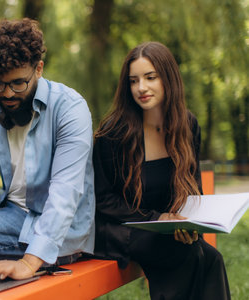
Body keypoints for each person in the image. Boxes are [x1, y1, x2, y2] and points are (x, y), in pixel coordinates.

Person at [0, 18, 95, 281]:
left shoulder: (70, 109)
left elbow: (65, 194)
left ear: (38, 69)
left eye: (18, 84)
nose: (6, 94)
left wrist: (29, 263)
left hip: (59, 228)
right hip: (11, 216)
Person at [93, 41, 230, 299]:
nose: (141, 88)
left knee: (212, 258)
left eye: (150, 77)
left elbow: (193, 188)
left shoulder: (187, 125)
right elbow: (103, 200)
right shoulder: (114, 133)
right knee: (183, 255)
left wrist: (187, 223)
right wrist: (156, 218)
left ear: (168, 78)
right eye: (134, 81)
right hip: (119, 228)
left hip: (164, 228)